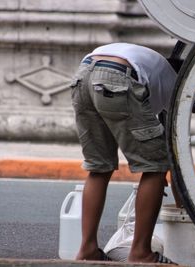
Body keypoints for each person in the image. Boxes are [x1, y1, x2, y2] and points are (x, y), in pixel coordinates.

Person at [70, 43, 182, 263]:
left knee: (98, 167)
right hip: (118, 76)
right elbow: (175, 152)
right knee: (155, 167)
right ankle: (141, 252)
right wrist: (183, 204)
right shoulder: (175, 85)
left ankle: (87, 250)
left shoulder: (153, 65)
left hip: (82, 76)